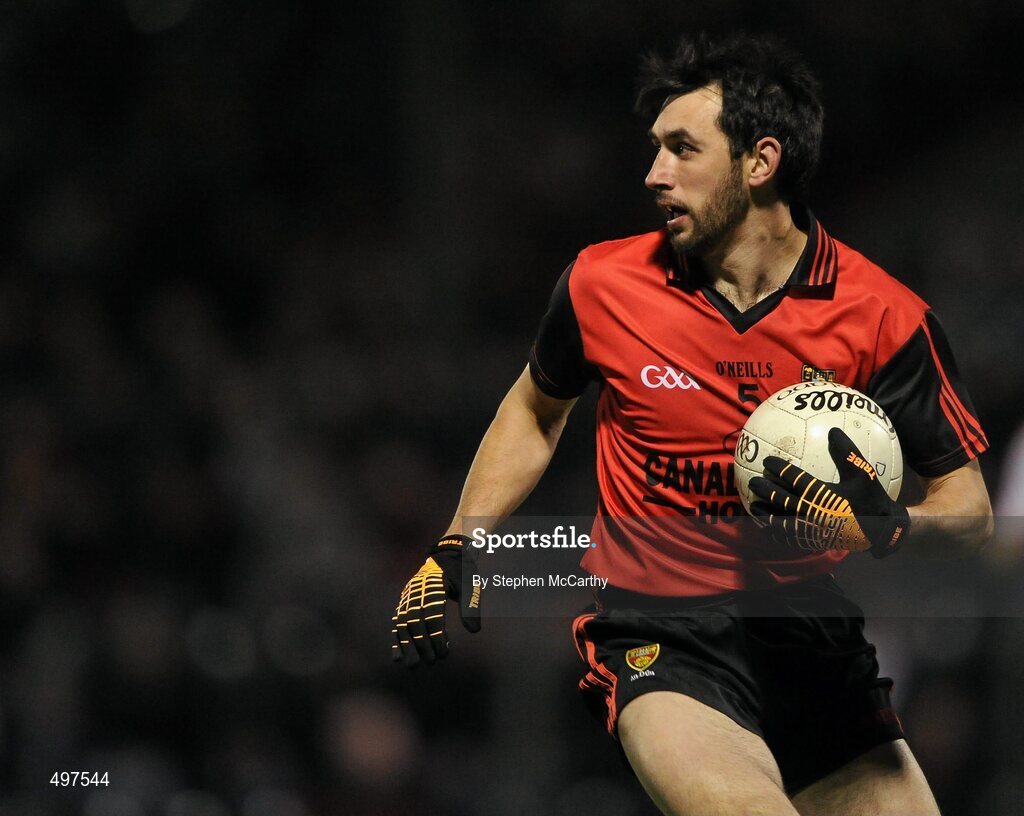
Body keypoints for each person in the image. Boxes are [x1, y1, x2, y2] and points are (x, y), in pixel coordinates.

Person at [392, 32, 993, 816]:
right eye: (654, 150)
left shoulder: (885, 316)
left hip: (815, 645)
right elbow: (536, 411)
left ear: (760, 161)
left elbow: (969, 511)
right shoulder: (602, 284)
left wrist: (882, 529)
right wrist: (460, 538)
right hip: (662, 638)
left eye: (681, 149)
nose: (655, 174)